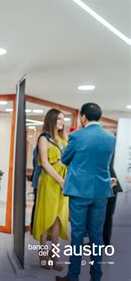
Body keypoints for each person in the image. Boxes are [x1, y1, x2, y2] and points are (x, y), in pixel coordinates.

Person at [56, 103, 115, 281]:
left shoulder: (76, 136)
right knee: (97, 236)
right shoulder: (110, 137)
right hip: (101, 192)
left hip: (79, 192)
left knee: (78, 235)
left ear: (83, 117)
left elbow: (65, 159)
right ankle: (96, 276)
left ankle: (73, 276)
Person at [32, 108, 68, 271]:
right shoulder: (43, 138)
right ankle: (43, 255)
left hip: (63, 182)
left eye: (63, 119)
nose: (62, 122)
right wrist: (61, 180)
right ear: (52, 120)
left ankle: (54, 256)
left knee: (58, 220)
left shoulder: (62, 138)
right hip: (50, 181)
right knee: (45, 218)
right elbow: (45, 164)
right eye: (59, 119)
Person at [103, 154, 122, 246]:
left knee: (104, 216)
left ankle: (103, 242)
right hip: (111, 185)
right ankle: (104, 242)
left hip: (109, 186)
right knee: (106, 216)